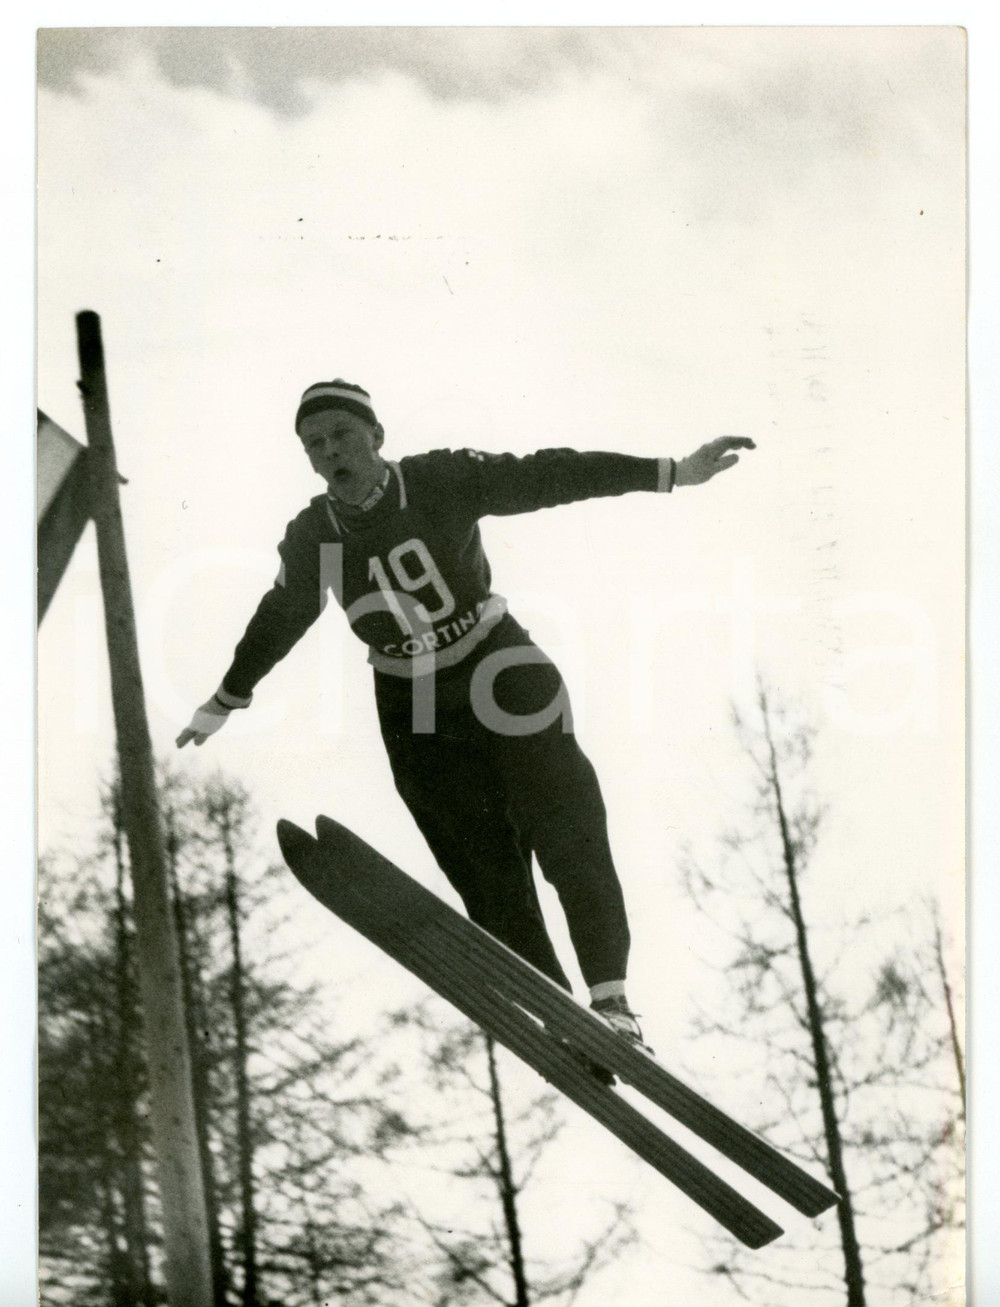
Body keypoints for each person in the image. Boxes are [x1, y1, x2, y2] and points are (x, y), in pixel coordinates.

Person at [177, 379, 755, 1049]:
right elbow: (281, 615)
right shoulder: (315, 535)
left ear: (376, 436)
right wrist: (229, 693)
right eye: (314, 445)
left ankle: (611, 998)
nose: (330, 452)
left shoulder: (440, 480)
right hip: (414, 704)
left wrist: (671, 473)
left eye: (341, 435)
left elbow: (549, 474)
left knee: (565, 822)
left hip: (497, 667)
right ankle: (555, 1007)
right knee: (481, 864)